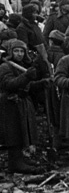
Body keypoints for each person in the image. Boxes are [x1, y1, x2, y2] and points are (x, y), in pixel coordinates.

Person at [0, 38, 40, 173]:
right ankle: (15, 163)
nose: (19, 54)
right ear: (11, 52)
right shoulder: (5, 67)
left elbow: (26, 85)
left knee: (23, 131)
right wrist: (27, 77)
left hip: (22, 102)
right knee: (14, 133)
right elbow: (9, 84)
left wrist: (40, 83)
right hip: (10, 103)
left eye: (21, 51)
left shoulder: (22, 66)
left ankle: (21, 159)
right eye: (16, 51)